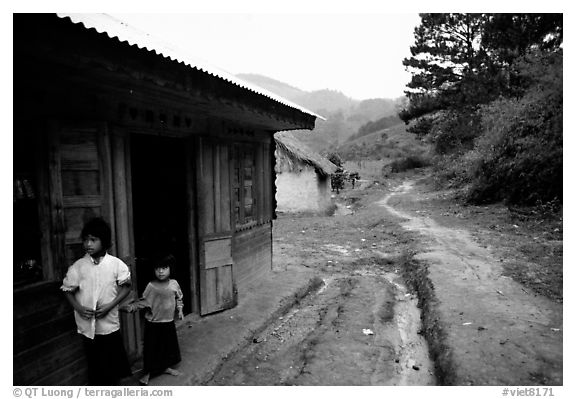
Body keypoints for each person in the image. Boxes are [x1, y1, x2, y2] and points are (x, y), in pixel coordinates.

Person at [60, 217, 132, 385]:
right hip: (88, 327)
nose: (88, 244)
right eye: (85, 240)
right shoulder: (79, 266)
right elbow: (67, 290)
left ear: (104, 241)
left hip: (109, 324)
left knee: (113, 366)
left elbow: (127, 287)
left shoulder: (116, 264)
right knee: (95, 366)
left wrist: (110, 305)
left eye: (93, 240)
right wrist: (78, 308)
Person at [123, 254, 183, 385]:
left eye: (164, 268)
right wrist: (131, 307)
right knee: (152, 349)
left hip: (168, 322)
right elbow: (143, 302)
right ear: (153, 270)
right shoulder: (151, 286)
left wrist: (180, 310)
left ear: (170, 269)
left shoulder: (174, 284)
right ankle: (148, 373)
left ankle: (165, 367)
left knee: (167, 346)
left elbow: (179, 297)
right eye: (157, 269)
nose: (161, 272)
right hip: (153, 324)